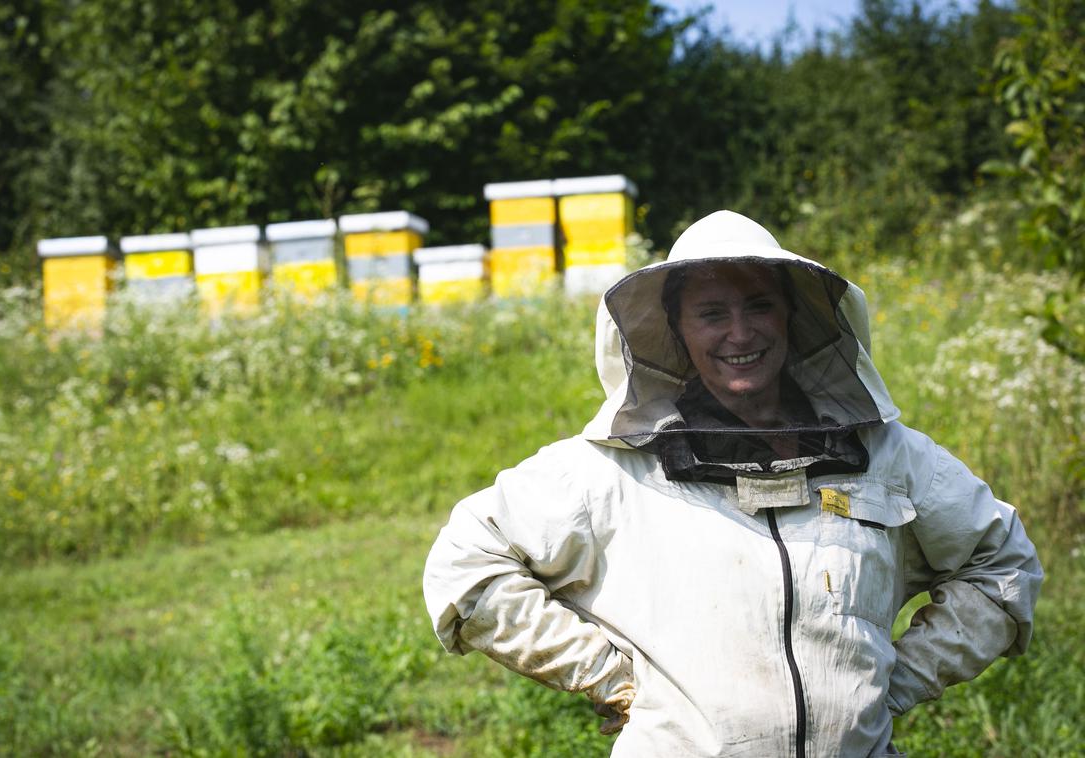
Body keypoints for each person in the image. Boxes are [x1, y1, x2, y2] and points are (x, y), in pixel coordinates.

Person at [422, 210, 1043, 756]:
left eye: (758, 306)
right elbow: (466, 566)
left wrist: (898, 682)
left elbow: (1002, 562)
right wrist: (613, 679)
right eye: (711, 313)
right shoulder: (611, 468)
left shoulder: (884, 453)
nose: (740, 334)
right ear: (678, 333)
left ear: (792, 317)